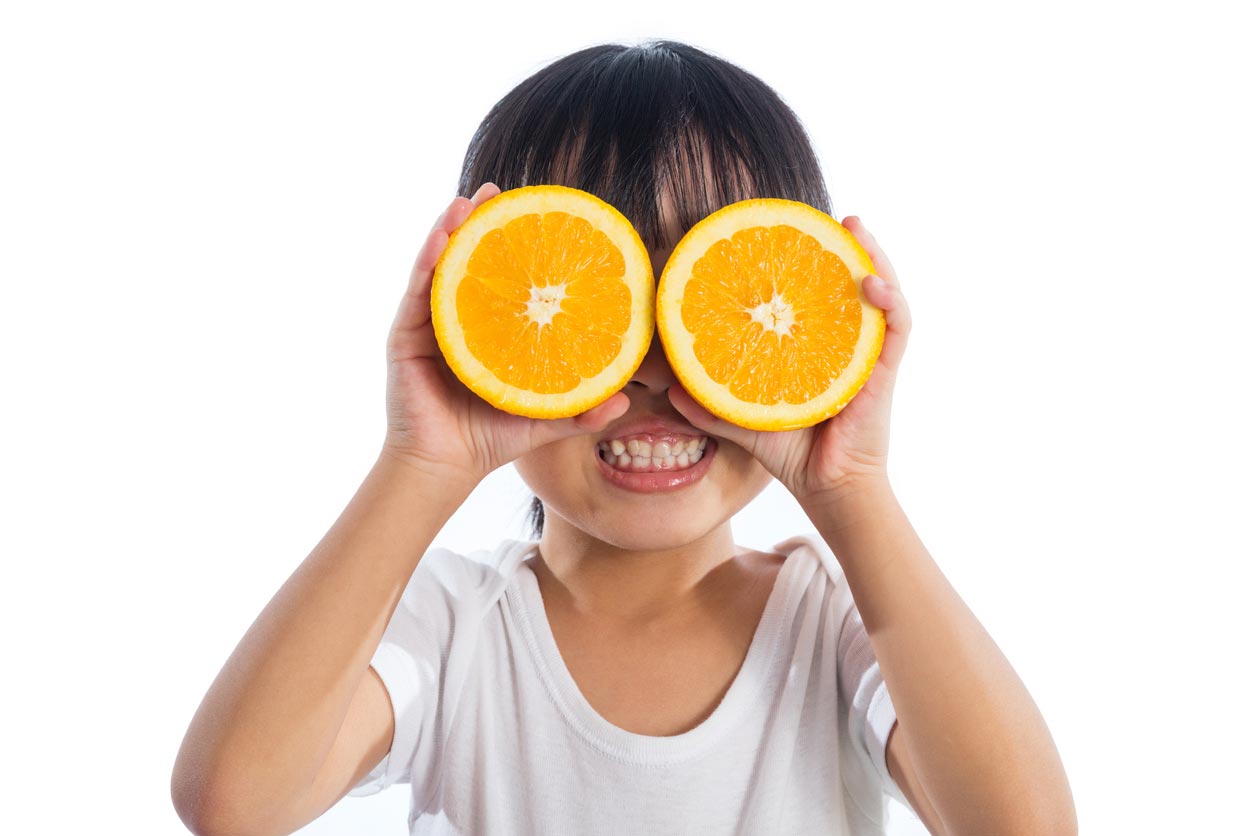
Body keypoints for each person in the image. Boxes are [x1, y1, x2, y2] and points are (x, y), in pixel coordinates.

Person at [171, 39, 1076, 836]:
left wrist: (853, 489)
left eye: (702, 296)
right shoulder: (454, 631)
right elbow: (234, 804)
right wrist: (421, 461)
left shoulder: (836, 628)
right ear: (486, 325)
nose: (653, 370)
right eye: (600, 303)